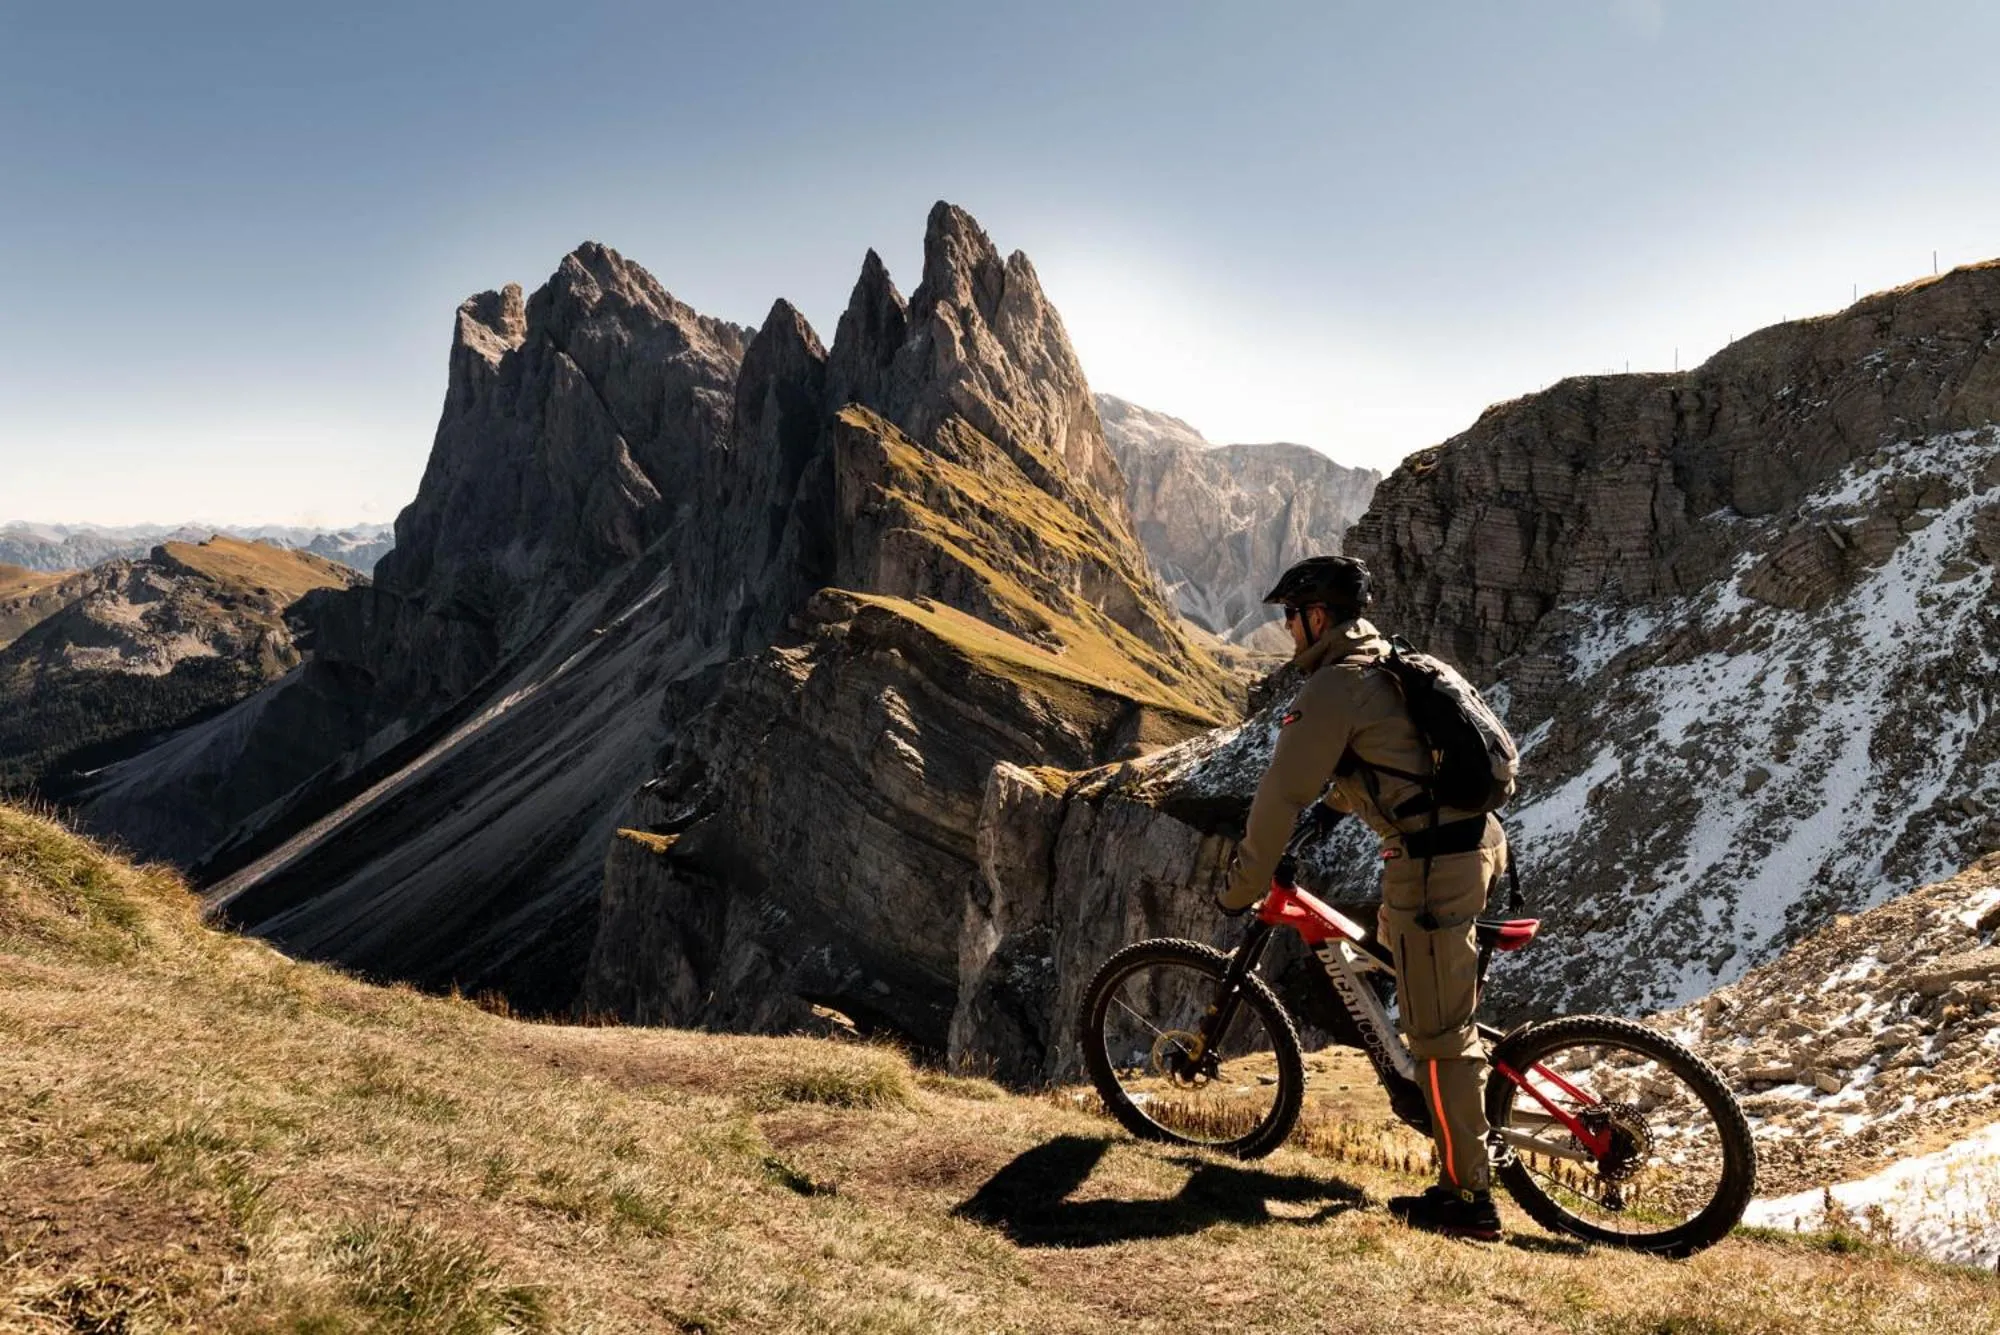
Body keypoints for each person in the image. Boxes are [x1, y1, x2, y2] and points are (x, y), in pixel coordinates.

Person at [1217, 554, 1509, 1241]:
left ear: (1317, 616)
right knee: (1401, 963)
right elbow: (1390, 759)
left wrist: (1242, 886)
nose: (1286, 630)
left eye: (1290, 616)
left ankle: (1468, 1200)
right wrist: (1331, 812)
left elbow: (1277, 795)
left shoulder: (1331, 689)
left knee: (1439, 1038)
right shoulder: (1384, 658)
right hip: (1474, 842)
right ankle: (1440, 1087)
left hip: (1435, 865)